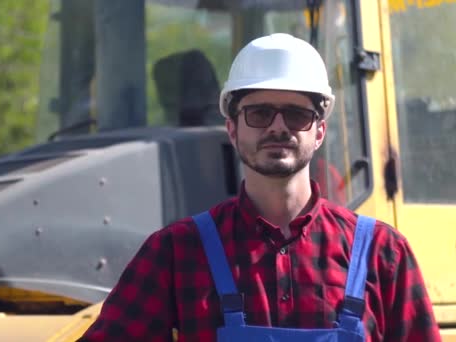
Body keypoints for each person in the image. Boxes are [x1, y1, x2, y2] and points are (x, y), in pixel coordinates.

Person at [79, 34, 440, 341]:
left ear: (319, 131)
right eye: (260, 113)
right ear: (233, 129)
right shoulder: (175, 253)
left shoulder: (383, 253)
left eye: (297, 114)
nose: (278, 127)